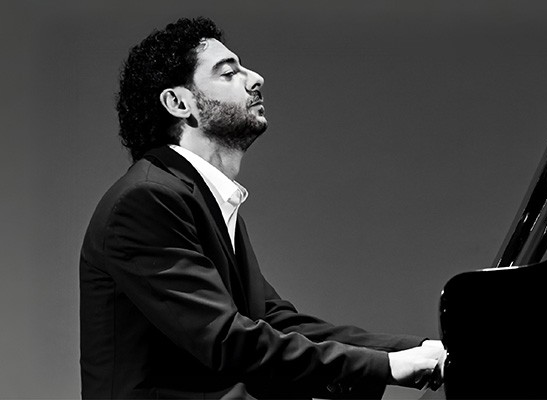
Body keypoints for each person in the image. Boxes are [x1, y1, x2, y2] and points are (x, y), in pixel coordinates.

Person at [80, 17, 445, 399]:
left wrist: (411, 350)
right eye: (228, 72)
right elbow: (226, 340)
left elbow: (274, 321)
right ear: (178, 103)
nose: (255, 78)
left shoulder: (198, 197)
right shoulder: (146, 200)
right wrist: (386, 367)